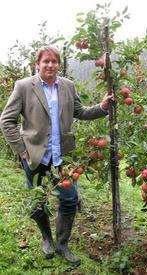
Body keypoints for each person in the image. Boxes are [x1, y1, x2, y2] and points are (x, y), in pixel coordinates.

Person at [0, 46, 112, 265]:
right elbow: (6, 120)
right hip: (35, 156)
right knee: (38, 202)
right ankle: (47, 238)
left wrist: (102, 107)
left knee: (69, 200)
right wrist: (22, 150)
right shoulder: (24, 86)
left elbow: (80, 112)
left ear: (59, 64)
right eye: (45, 62)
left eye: (54, 62)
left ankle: (62, 244)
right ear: (38, 64)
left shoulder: (68, 86)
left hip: (63, 158)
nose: (50, 65)